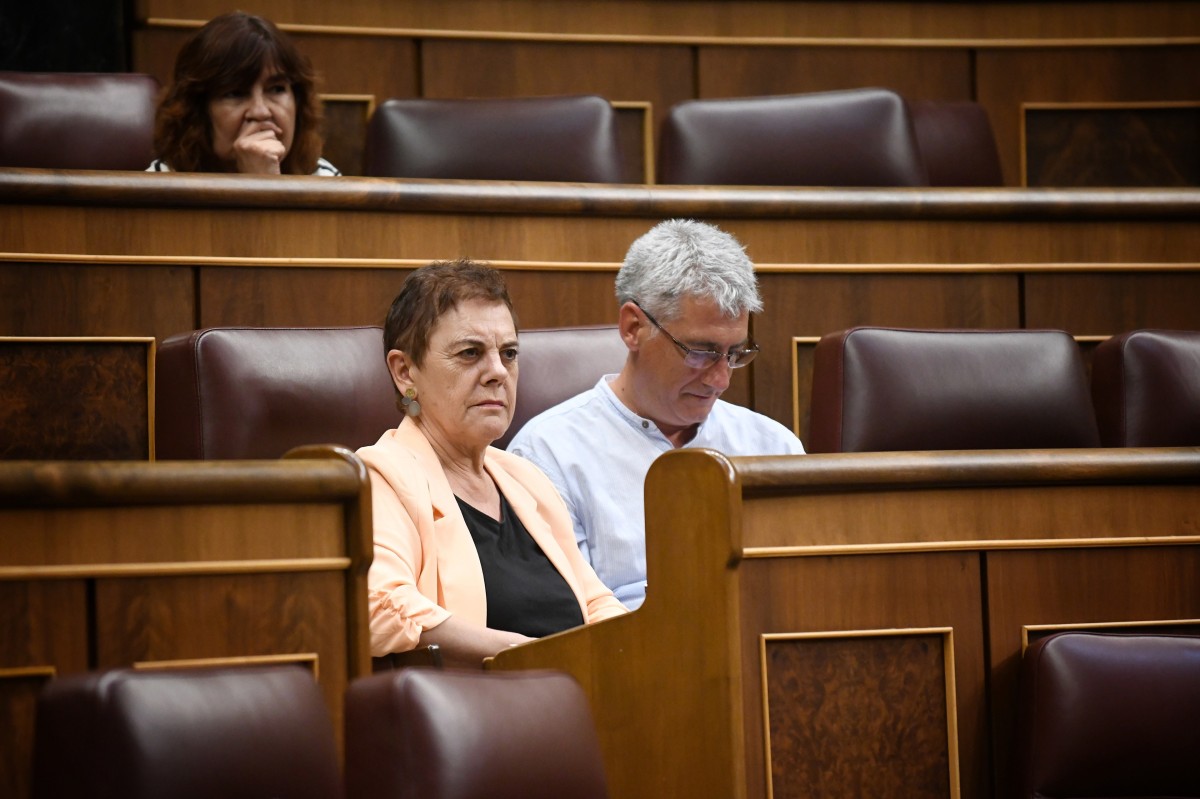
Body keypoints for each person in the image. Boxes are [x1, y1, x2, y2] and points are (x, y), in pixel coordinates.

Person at [508, 219, 805, 610]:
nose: (721, 379)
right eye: (701, 352)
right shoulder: (547, 454)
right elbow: (568, 622)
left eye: (735, 355)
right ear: (633, 328)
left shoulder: (774, 446)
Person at [358, 260, 626, 667]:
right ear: (405, 371)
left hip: (578, 697)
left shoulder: (524, 478)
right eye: (470, 353)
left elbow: (595, 602)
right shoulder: (382, 476)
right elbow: (378, 606)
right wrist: (532, 655)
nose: (498, 372)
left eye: (509, 353)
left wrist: (640, 645)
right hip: (479, 713)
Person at [147, 11, 340, 176]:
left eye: (277, 89)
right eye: (235, 93)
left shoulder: (323, 178)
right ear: (197, 112)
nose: (261, 111)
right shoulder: (158, 186)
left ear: (298, 102)